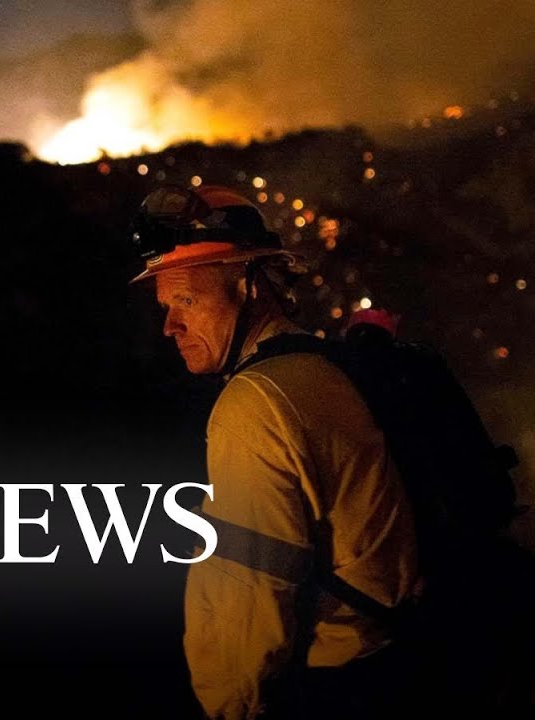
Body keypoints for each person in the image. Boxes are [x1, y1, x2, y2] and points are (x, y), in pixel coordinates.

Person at [128, 184, 421, 719]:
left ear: (248, 286)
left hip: (335, 688)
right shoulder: (323, 367)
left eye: (187, 301)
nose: (170, 326)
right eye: (167, 306)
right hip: (397, 662)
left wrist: (228, 708)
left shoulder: (255, 402)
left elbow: (249, 593)